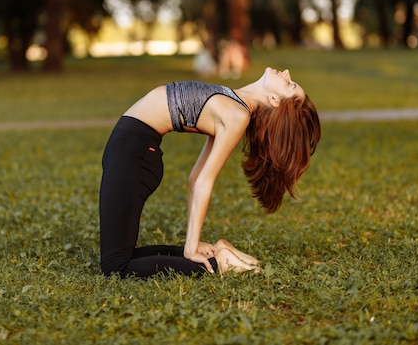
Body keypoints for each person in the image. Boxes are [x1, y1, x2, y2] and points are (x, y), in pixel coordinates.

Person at [99, 67, 321, 278]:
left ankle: (218, 264)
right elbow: (195, 178)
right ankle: (218, 253)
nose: (286, 74)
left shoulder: (237, 115)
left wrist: (191, 247)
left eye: (289, 84)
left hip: (134, 156)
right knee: (120, 258)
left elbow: (204, 180)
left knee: (115, 267)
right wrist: (192, 245)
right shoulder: (235, 101)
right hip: (131, 152)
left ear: (274, 100)